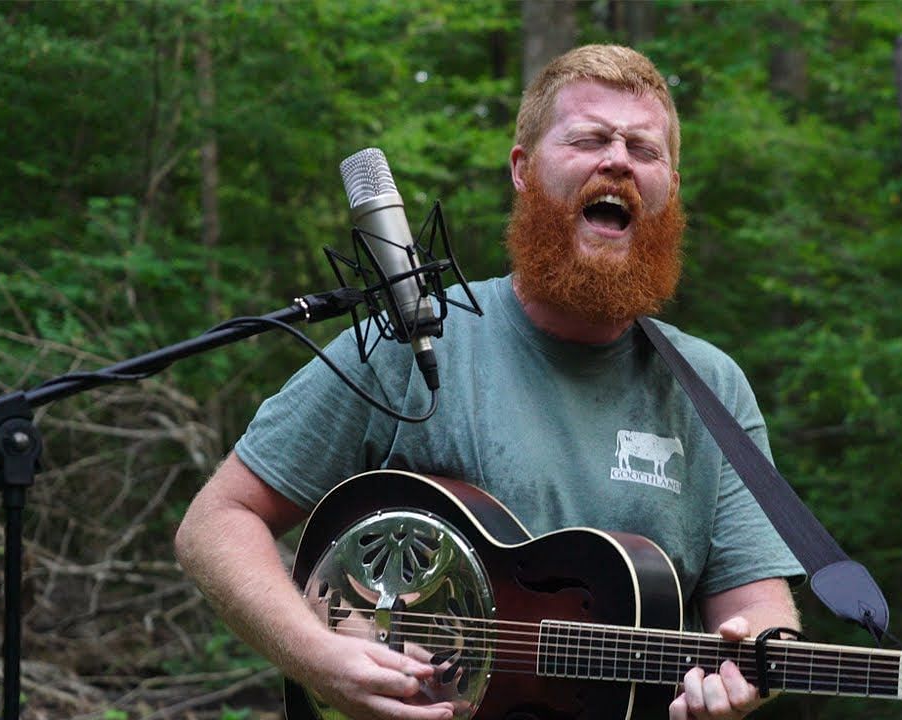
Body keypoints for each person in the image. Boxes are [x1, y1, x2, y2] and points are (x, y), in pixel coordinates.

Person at [175, 44, 802, 720]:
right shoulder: (412, 341)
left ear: (669, 190)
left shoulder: (711, 387)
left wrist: (751, 668)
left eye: (644, 150)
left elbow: (757, 609)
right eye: (589, 138)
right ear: (524, 171)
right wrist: (316, 655)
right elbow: (217, 521)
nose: (617, 159)